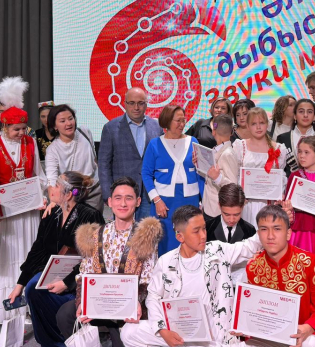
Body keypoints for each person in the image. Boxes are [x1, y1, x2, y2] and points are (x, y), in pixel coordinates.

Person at [120, 205, 264, 347]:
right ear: (180, 236)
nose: (203, 235)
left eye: (204, 228)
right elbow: (153, 296)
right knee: (129, 332)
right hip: (180, 332)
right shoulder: (166, 261)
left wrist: (268, 227)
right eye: (196, 231)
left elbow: (250, 246)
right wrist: (162, 330)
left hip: (213, 336)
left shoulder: (218, 250)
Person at [56, 176, 162, 347]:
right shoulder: (95, 234)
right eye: (118, 198)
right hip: (99, 303)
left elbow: (148, 279)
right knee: (65, 314)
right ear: (110, 202)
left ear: (138, 202)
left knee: (121, 338)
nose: (123, 204)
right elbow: (84, 273)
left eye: (129, 198)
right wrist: (82, 301)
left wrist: (137, 301)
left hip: (129, 305)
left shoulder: (145, 236)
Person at [7, 171, 104, 347]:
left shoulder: (90, 215)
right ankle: (49, 343)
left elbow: (95, 258)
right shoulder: (52, 213)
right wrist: (19, 285)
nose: (52, 188)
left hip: (77, 278)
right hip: (52, 272)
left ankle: (68, 340)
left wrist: (66, 283)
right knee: (32, 288)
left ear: (68, 194)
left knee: (41, 290)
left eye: (57, 185)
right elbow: (37, 249)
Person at [0, 77, 47, 323]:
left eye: (23, 128)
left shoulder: (30, 143)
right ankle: (7, 307)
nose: (21, 133)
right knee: (7, 256)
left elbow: (38, 174)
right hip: (5, 211)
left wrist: (41, 196)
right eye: (16, 129)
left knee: (29, 252)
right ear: (4, 126)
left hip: (28, 210)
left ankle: (28, 305)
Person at [246, 205, 315, 347]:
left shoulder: (309, 262)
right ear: (258, 233)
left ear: (288, 233)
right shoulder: (254, 267)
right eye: (264, 229)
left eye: (277, 229)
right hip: (271, 336)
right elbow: (254, 312)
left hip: (309, 335)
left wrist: (307, 329)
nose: (270, 236)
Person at [142, 104, 201, 255]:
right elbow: (146, 174)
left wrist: (204, 200)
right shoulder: (155, 144)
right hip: (164, 203)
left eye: (184, 120)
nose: (182, 124)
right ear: (167, 121)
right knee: (166, 242)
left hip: (190, 200)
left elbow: (201, 173)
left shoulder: (193, 141)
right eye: (178, 121)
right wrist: (156, 200)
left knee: (190, 238)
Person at [98, 87, 163, 221]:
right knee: (124, 231)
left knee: (146, 231)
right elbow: (104, 164)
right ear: (125, 104)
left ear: (146, 104)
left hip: (149, 192)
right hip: (123, 193)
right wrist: (107, 194)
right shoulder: (111, 128)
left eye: (140, 103)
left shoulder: (156, 126)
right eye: (132, 103)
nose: (136, 107)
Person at [232, 107, 286, 228]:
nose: (258, 127)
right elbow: (235, 175)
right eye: (254, 124)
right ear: (247, 126)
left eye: (261, 123)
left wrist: (280, 193)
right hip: (246, 204)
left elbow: (281, 176)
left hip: (270, 205)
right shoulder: (240, 146)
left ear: (267, 124)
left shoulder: (278, 149)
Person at [45, 104, 103, 213]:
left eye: (70, 118)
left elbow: (94, 158)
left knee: (93, 221)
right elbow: (51, 178)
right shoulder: (52, 149)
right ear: (55, 126)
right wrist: (53, 200)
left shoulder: (85, 132)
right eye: (62, 121)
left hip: (93, 190)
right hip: (71, 194)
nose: (68, 123)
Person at [206, 183, 256, 285]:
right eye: (227, 214)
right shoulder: (207, 228)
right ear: (219, 206)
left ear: (243, 206)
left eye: (236, 214)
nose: (231, 219)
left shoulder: (250, 230)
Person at [198, 114, 238, 220]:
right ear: (231, 132)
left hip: (218, 211)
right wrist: (198, 164)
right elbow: (210, 175)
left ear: (213, 131)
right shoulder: (217, 149)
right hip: (209, 206)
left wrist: (218, 178)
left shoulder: (228, 154)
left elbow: (233, 186)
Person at [277, 98, 315, 176]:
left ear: (314, 117)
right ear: (295, 116)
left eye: (309, 112)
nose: (305, 115)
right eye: (301, 111)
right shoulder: (282, 139)